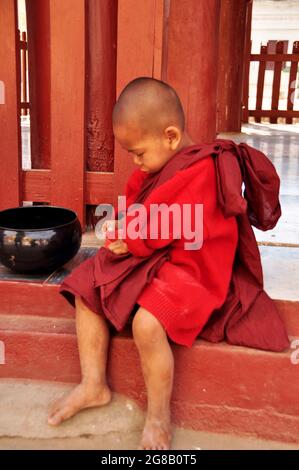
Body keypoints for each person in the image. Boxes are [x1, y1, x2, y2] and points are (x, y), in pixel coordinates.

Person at [47, 77, 240, 450]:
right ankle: (93, 384)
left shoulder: (202, 170)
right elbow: (143, 210)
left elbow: (178, 223)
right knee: (87, 285)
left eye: (138, 152)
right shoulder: (157, 164)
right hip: (154, 255)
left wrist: (132, 238)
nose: (135, 163)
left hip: (193, 269)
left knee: (147, 323)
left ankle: (158, 416)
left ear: (170, 136)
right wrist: (123, 225)